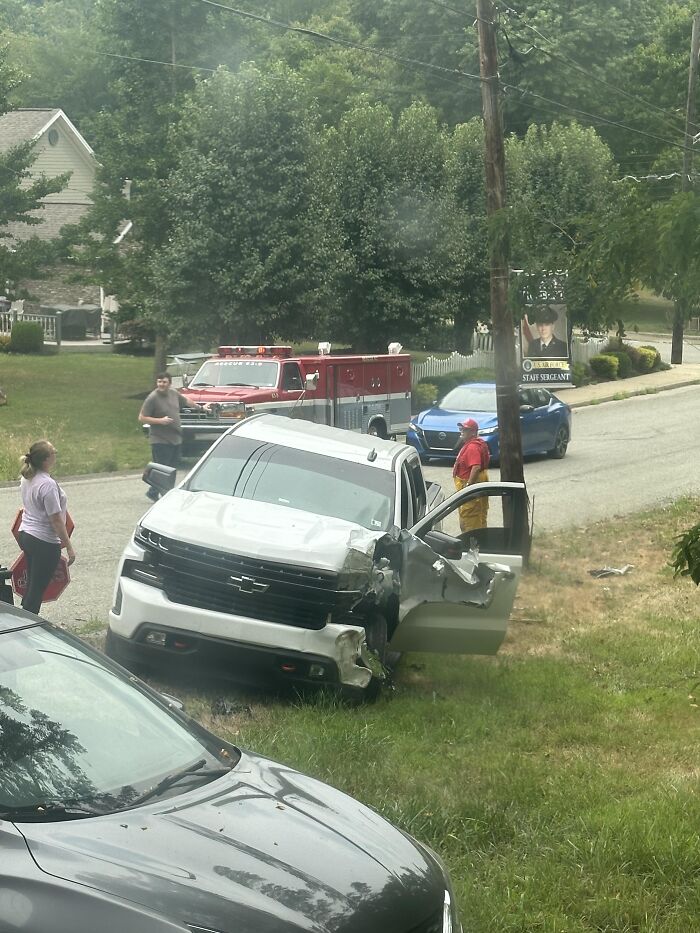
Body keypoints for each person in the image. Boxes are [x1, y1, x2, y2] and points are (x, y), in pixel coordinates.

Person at [18, 440, 75, 616]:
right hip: (44, 541)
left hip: (26, 534)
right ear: (46, 459)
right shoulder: (47, 484)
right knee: (37, 589)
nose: (55, 454)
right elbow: (56, 520)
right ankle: (28, 623)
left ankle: (25, 616)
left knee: (32, 584)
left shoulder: (28, 477)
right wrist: (69, 547)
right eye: (53, 452)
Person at [139, 372, 187, 501]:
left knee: (171, 468)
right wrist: (160, 421)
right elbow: (142, 417)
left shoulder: (173, 393)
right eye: (159, 382)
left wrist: (201, 407)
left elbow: (186, 401)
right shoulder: (152, 398)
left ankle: (154, 491)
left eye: (164, 382)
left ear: (170, 383)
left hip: (175, 438)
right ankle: (165, 494)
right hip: (159, 439)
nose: (161, 384)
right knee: (162, 468)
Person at [452, 419, 490, 533]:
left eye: (465, 429)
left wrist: (469, 486)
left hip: (469, 487)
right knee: (476, 518)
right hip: (473, 485)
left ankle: (472, 541)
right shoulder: (473, 444)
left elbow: (476, 467)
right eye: (461, 429)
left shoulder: (472, 447)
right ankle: (479, 539)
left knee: (469, 520)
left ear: (473, 432)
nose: (462, 431)